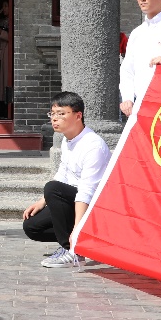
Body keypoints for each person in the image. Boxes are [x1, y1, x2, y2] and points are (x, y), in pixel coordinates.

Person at [21, 91, 110, 268]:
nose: (54, 119)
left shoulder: (93, 145)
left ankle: (73, 250)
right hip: (75, 199)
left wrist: (77, 229)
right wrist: (41, 202)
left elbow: (87, 190)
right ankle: (91, 241)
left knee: (53, 188)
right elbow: (63, 173)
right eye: (52, 113)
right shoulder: (67, 139)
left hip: (97, 204)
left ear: (78, 116)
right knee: (32, 226)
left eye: (61, 114)